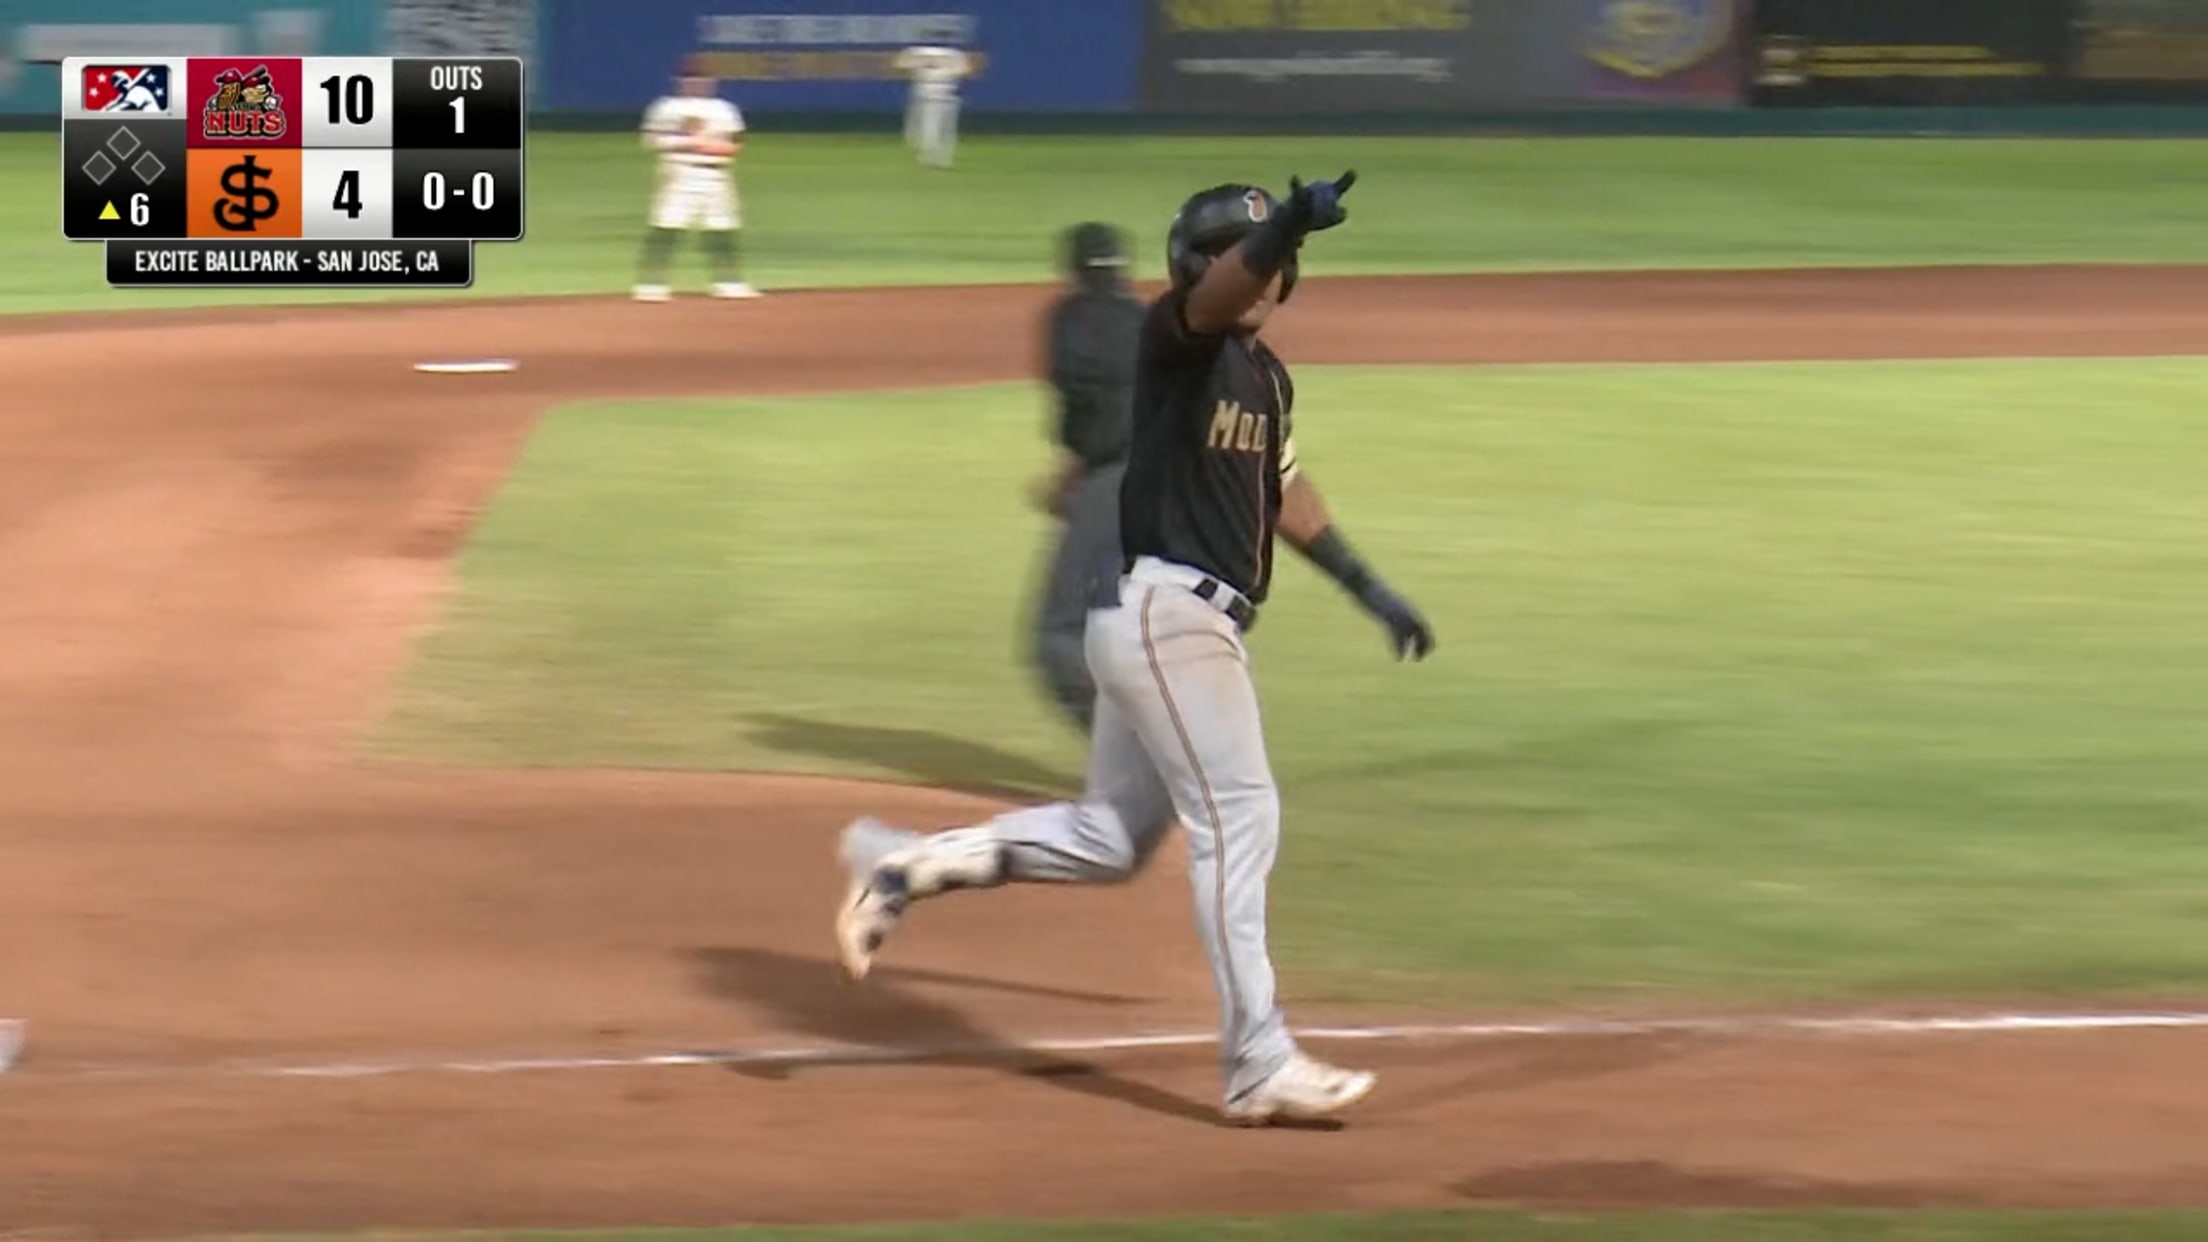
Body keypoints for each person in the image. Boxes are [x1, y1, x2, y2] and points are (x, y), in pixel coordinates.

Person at [834, 172, 1435, 1126]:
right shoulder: (1177, 340)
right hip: (1172, 619)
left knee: (1108, 839)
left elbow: (1284, 494)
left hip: (1160, 626)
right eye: (1256, 259)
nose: (1275, 276)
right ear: (1204, 266)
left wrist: (1369, 588)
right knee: (1240, 817)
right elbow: (1219, 295)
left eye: (1284, 261)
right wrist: (1278, 226)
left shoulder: (1267, 378)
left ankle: (905, 865)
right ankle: (1257, 1060)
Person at [1028, 221, 1144, 735]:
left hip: (1114, 486)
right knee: (1124, 633)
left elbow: (1087, 408)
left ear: (1072, 268)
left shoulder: (1070, 319)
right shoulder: (1152, 321)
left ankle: (1136, 761)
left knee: (1058, 637)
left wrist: (1078, 470)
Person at [634, 58, 760, 302]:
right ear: (680, 82)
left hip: (717, 175)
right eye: (690, 80)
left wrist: (706, 146)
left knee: (722, 228)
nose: (696, 85)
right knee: (667, 227)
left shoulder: (724, 109)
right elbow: (651, 141)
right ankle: (651, 284)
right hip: (679, 172)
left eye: (701, 80)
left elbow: (734, 143)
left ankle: (728, 282)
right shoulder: (666, 107)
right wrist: (694, 143)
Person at [892, 44, 971, 169]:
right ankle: (935, 157)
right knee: (935, 129)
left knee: (935, 128)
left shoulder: (918, 52)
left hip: (938, 95)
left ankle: (936, 157)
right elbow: (965, 71)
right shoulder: (953, 54)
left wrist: (917, 68)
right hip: (936, 94)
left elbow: (899, 66)